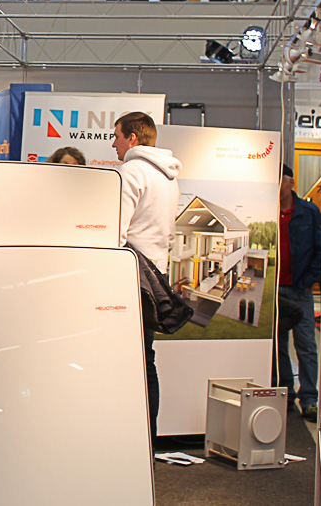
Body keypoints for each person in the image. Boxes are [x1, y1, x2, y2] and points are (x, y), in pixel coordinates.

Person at [112, 112, 182, 440]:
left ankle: (123, 441)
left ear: (132, 139)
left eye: (117, 136)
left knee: (121, 362)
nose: (114, 144)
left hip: (128, 278)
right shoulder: (168, 177)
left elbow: (115, 232)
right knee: (145, 360)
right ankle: (146, 442)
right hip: (154, 279)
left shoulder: (130, 172)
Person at [275, 164, 321, 421]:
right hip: (275, 290)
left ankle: (310, 398)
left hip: (299, 289)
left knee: (305, 345)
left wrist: (309, 280)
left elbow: (320, 248)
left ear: (290, 183)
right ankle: (285, 394)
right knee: (278, 345)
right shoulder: (269, 210)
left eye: (280, 181)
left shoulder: (308, 212)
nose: (276, 187)